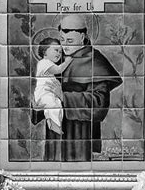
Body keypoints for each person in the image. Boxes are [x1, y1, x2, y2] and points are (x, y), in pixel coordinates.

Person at [32, 14, 122, 162]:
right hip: (55, 135)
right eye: (62, 40)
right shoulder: (56, 60)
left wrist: (64, 96)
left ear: (82, 37)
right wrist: (37, 106)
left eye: (70, 41)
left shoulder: (95, 62)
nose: (65, 46)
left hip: (81, 135)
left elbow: (99, 104)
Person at [33, 38, 73, 135]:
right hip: (44, 93)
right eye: (56, 50)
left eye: (60, 51)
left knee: (58, 104)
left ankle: (54, 123)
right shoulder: (44, 62)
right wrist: (67, 62)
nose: (59, 53)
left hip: (48, 93)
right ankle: (54, 124)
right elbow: (58, 69)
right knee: (53, 104)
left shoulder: (48, 63)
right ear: (44, 52)